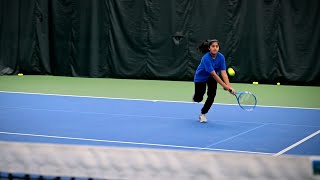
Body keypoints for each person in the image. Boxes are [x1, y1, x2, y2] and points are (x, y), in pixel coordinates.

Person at [193, 39, 235, 123]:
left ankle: (203, 114)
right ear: (209, 48)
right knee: (198, 98)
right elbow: (214, 75)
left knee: (212, 95)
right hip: (201, 77)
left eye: (217, 46)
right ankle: (196, 97)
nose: (215, 48)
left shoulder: (221, 57)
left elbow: (223, 73)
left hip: (211, 78)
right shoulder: (206, 58)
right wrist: (225, 86)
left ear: (219, 48)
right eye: (213, 46)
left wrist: (229, 86)